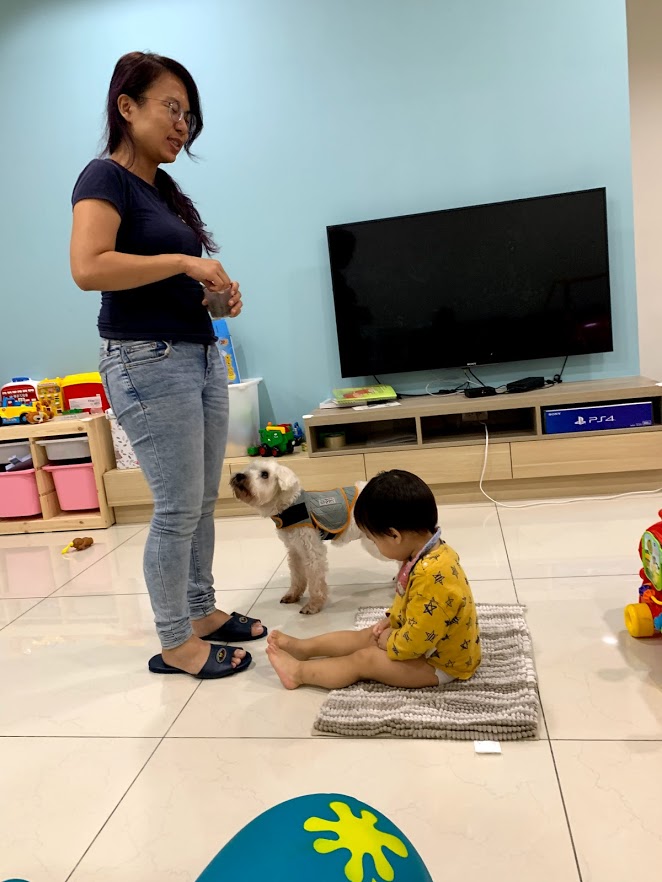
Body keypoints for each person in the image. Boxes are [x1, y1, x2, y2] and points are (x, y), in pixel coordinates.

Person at [70, 51, 267, 680]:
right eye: (171, 108)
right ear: (127, 108)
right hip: (145, 359)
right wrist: (185, 263)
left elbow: (162, 279)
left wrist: (214, 298)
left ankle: (201, 612)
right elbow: (89, 267)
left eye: (189, 115)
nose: (183, 125)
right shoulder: (103, 178)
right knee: (178, 507)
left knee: (200, 501)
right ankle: (177, 642)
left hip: (197, 353)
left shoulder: (163, 192)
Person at [266, 470, 481, 690]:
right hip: (421, 639)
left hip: (440, 664)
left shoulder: (431, 575)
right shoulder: (427, 552)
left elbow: (417, 640)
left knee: (364, 659)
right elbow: (413, 603)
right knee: (367, 636)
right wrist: (392, 620)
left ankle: (298, 673)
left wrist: (392, 642)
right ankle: (303, 648)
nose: (374, 545)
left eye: (373, 540)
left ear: (394, 535)